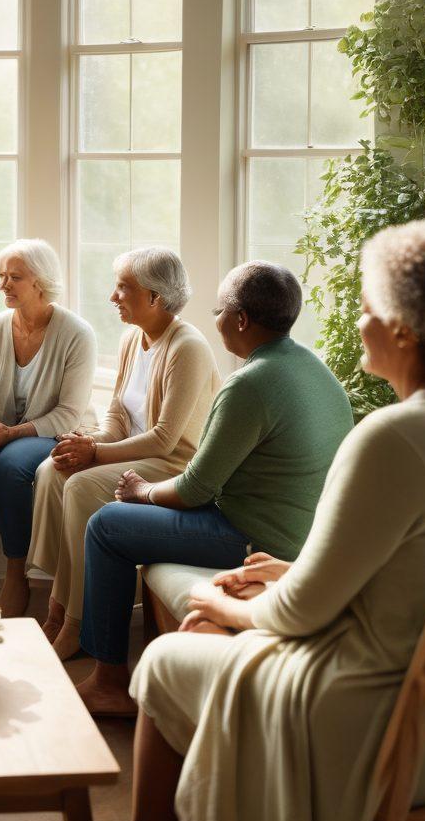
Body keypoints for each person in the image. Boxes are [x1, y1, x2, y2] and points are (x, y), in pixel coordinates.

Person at [128, 221, 425, 821]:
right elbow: (405, 576)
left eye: (367, 309)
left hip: (365, 712)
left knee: (165, 657)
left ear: (404, 327)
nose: (357, 325)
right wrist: (292, 569)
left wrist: (212, 598)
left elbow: (300, 615)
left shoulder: (393, 436)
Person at [74, 260, 354, 714]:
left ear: (240, 319)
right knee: (121, 519)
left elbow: (196, 490)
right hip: (304, 531)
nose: (216, 319)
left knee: (107, 526)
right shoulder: (314, 371)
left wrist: (141, 491)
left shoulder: (249, 385)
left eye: (219, 310)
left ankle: (108, 680)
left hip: (256, 538)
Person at [28, 247, 219, 658]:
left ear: (155, 297)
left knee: (79, 486)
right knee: (51, 469)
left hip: (172, 463)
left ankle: (75, 620)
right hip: (135, 451)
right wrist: (89, 442)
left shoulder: (188, 347)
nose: (113, 297)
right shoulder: (133, 337)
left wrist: (95, 454)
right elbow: (118, 411)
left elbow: (166, 438)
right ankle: (59, 606)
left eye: (123, 288)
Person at [0, 239, 96, 618]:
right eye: (2, 276)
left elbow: (69, 414)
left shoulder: (77, 333)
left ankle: (17, 576)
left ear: (40, 282)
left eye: (15, 277)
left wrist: (10, 433)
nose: (4, 286)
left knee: (10, 468)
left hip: (48, 432)